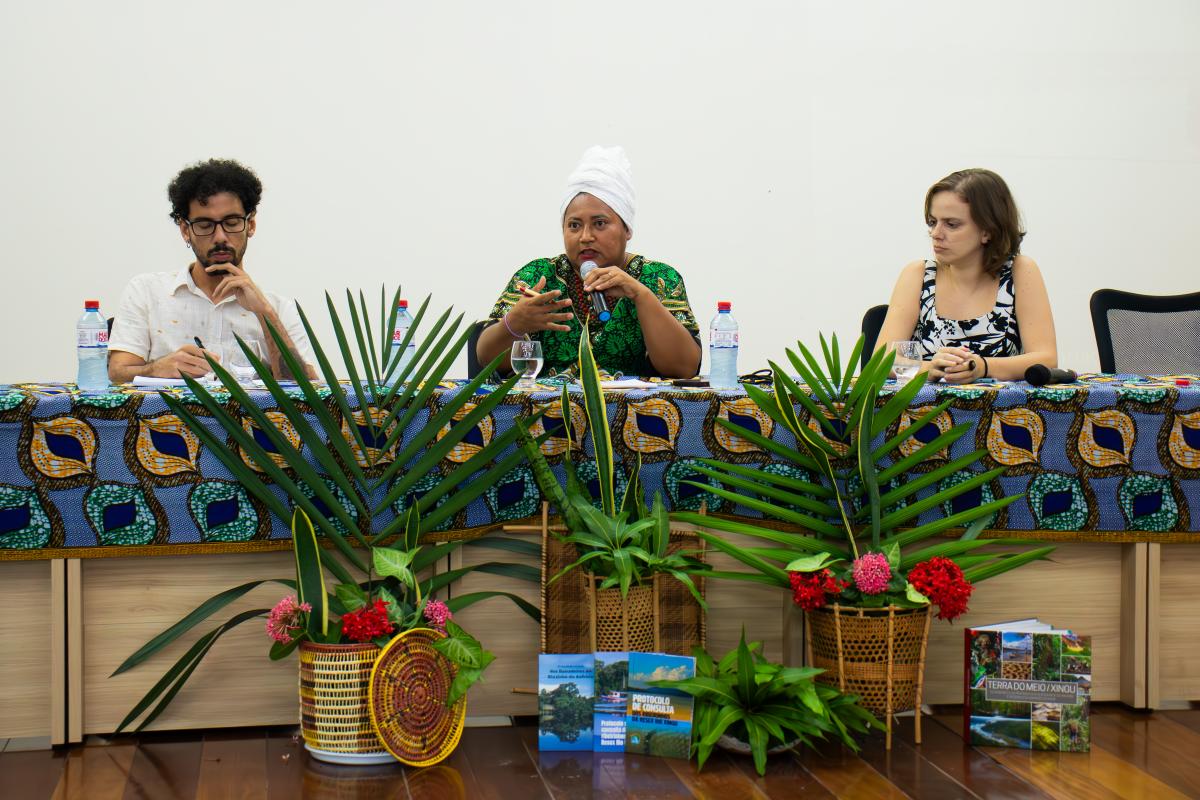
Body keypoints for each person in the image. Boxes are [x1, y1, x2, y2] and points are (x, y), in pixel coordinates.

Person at [476, 146, 701, 378]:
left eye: (600, 223)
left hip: (635, 412)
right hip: (547, 412)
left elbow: (683, 369)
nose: (585, 236)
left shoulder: (659, 278)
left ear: (627, 229)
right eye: (574, 225)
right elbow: (485, 358)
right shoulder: (539, 275)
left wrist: (641, 296)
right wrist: (513, 323)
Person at [108, 159, 316, 382]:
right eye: (205, 225)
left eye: (232, 222)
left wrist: (264, 313)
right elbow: (117, 373)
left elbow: (308, 393)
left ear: (251, 225)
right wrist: (156, 368)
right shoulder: (147, 291)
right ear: (186, 231)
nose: (220, 237)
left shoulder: (278, 308)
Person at [875, 168, 1056, 383]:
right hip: (925, 414)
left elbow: (1046, 359)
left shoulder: (1019, 271)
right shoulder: (917, 274)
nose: (936, 234)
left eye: (951, 224)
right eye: (933, 222)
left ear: (987, 230)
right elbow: (880, 363)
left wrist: (983, 367)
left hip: (999, 414)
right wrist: (929, 368)